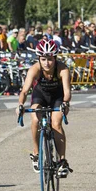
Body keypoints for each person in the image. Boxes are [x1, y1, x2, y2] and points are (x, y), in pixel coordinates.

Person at [17, 39, 73, 177]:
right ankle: (36, 154)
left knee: (56, 123)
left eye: (50, 59)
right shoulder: (34, 69)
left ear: (55, 58)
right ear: (39, 59)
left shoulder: (62, 69)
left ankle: (61, 161)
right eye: (43, 59)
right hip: (40, 96)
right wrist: (20, 105)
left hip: (58, 97)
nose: (47, 63)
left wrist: (65, 103)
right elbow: (24, 91)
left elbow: (67, 92)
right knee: (35, 119)